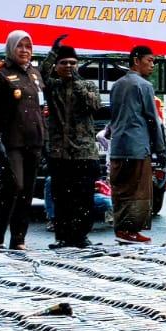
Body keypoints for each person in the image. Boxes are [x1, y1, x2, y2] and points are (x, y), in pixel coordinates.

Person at [0, 31, 45, 249]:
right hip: (11, 141)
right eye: (20, 46)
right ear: (10, 48)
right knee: (13, 186)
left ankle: (18, 239)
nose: (25, 51)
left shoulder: (35, 74)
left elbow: (40, 107)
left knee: (27, 190)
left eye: (28, 46)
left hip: (34, 140)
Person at [43, 38, 101, 249]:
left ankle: (81, 236)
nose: (68, 66)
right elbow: (41, 73)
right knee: (61, 197)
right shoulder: (52, 86)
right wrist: (52, 52)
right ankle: (63, 236)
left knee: (83, 197)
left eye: (72, 63)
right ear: (57, 66)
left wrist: (76, 82)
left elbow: (94, 105)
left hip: (84, 153)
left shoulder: (87, 85)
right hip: (59, 153)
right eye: (63, 63)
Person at [109, 45, 166, 244]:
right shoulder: (144, 86)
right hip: (136, 146)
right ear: (136, 60)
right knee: (137, 191)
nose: (152, 64)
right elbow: (153, 119)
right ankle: (130, 231)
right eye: (149, 60)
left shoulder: (117, 85)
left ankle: (121, 229)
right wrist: (161, 150)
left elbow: (114, 116)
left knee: (120, 189)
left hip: (118, 146)